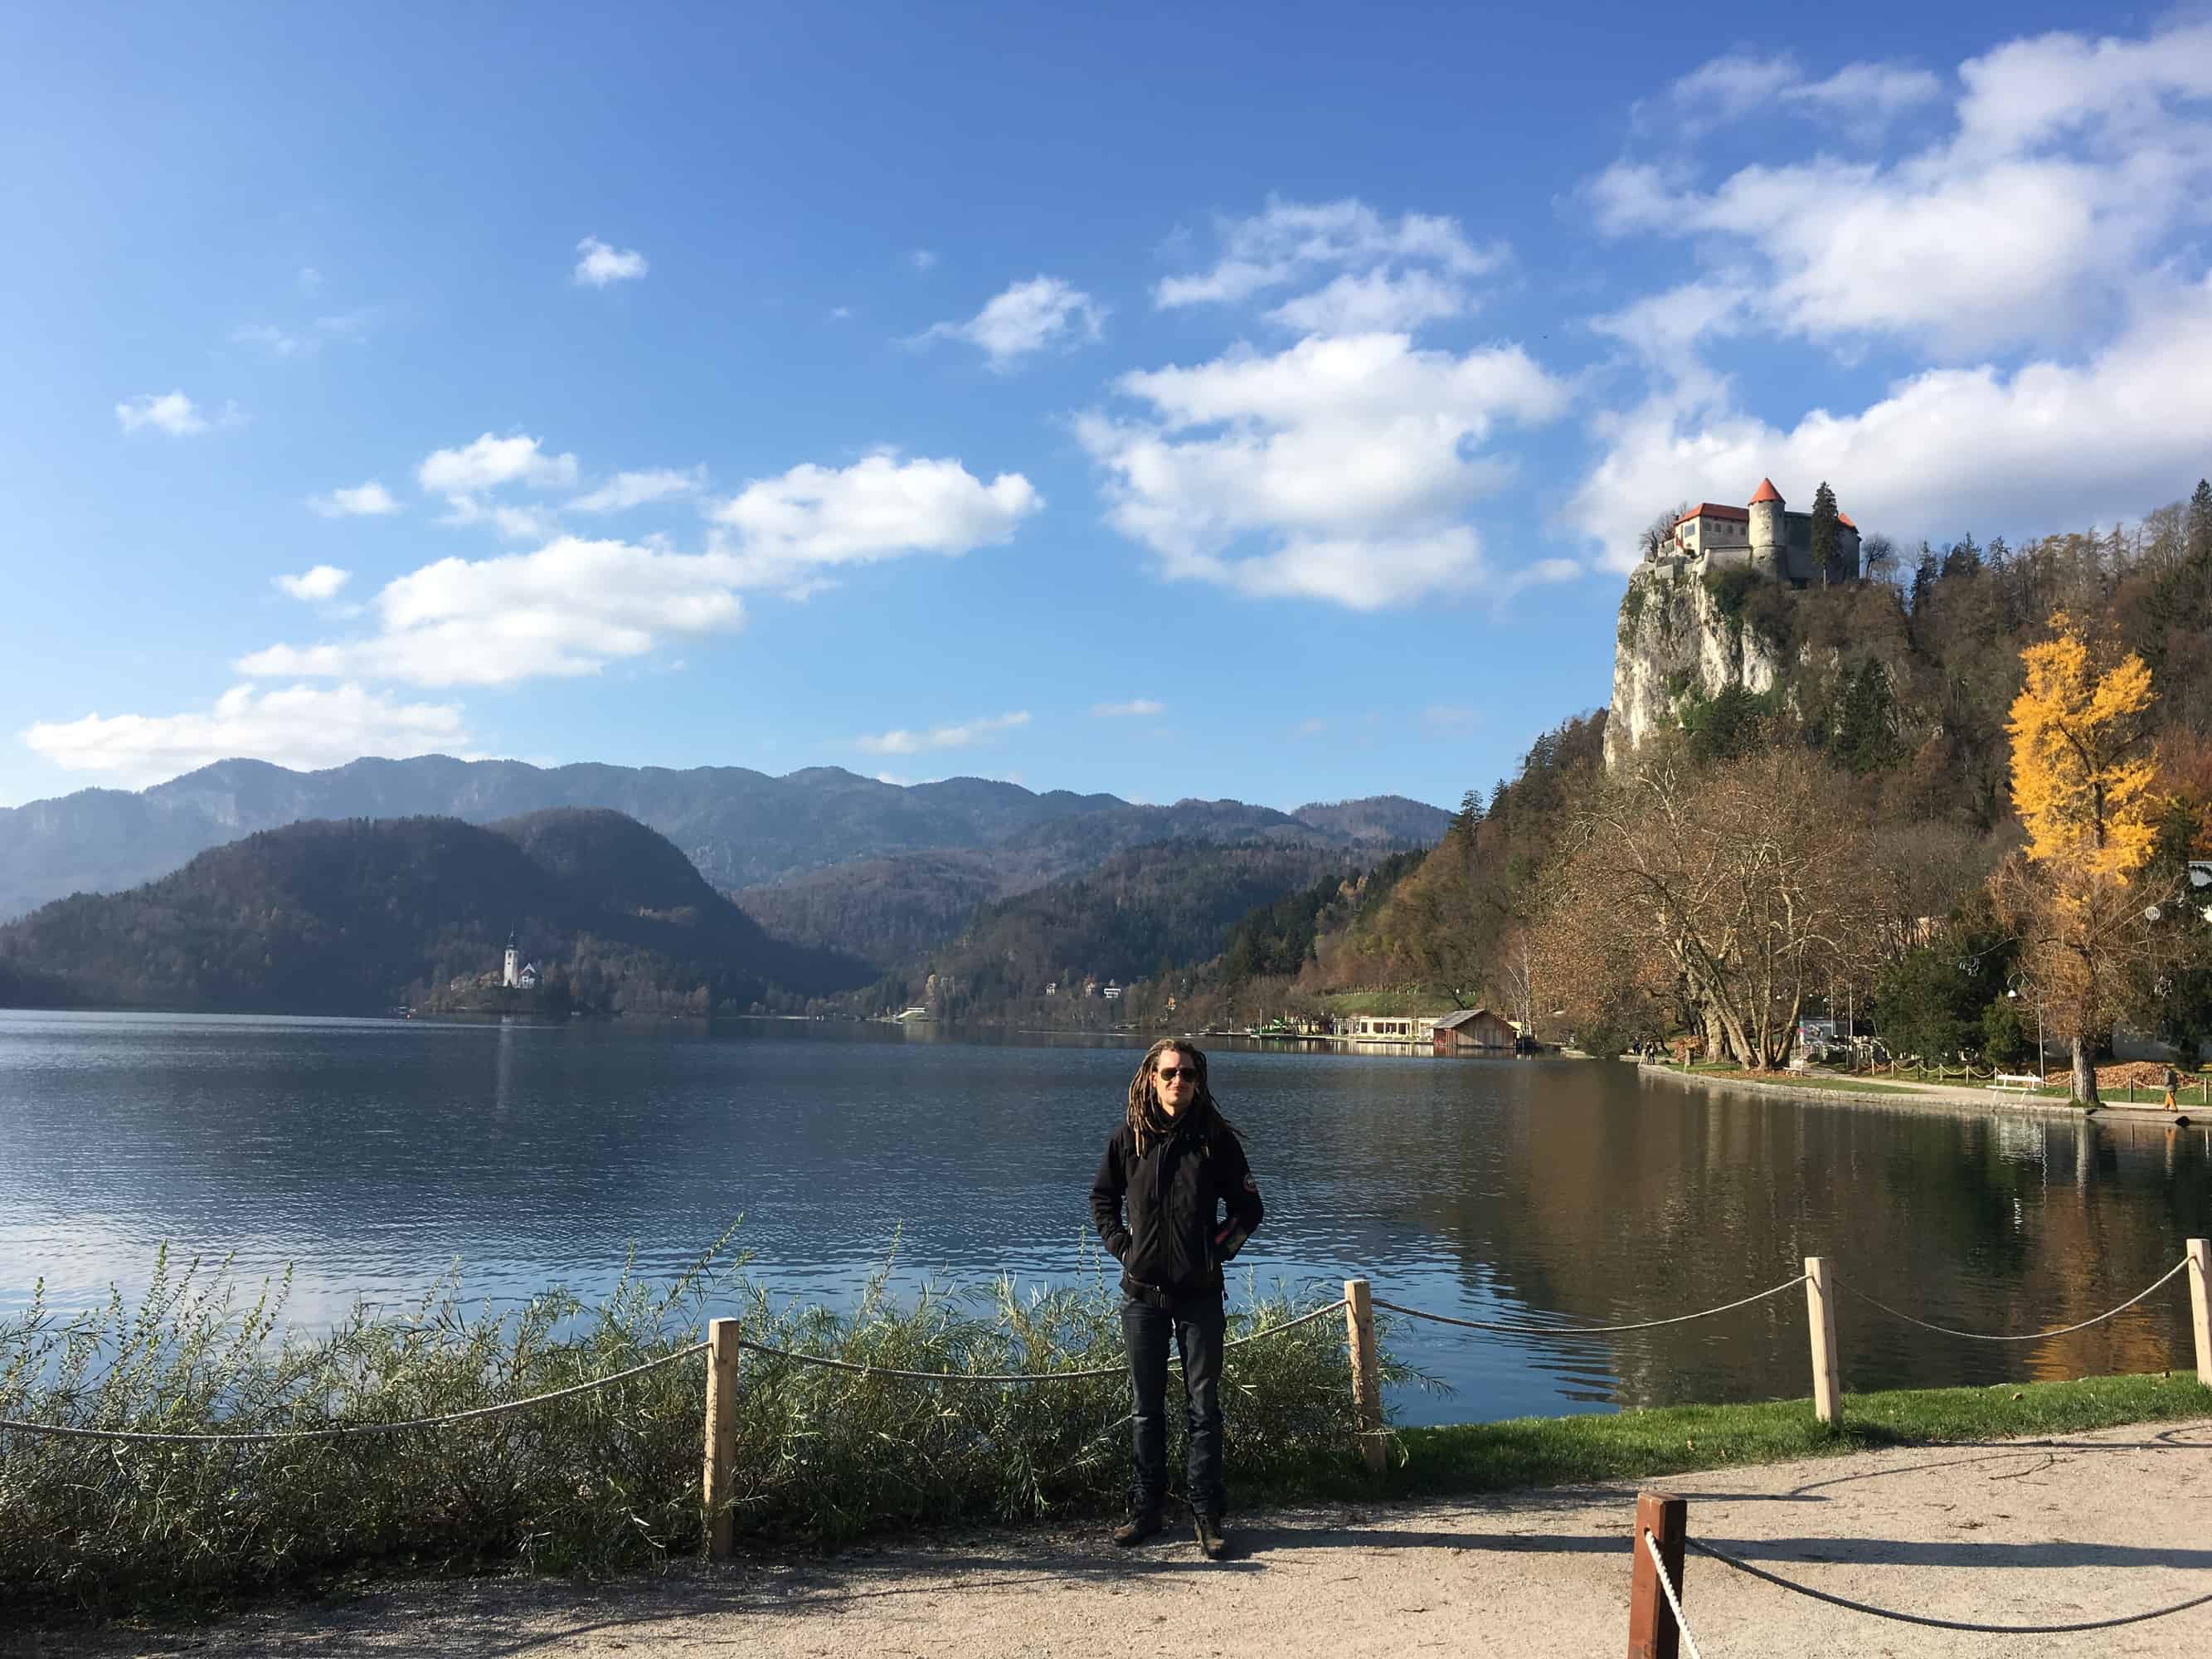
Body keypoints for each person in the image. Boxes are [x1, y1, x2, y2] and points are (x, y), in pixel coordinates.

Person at [1090, 1039, 1263, 1560]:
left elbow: (1250, 1210)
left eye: (1187, 1074)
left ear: (1197, 1081)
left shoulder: (1216, 1142)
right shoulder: (1127, 1140)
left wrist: (1218, 1253)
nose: (1177, 1082)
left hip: (1201, 1299)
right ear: (1150, 1078)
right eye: (1169, 1073)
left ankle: (1207, 1515)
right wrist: (1123, 1248)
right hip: (1141, 1298)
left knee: (1204, 1410)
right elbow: (1102, 1199)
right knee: (1146, 1411)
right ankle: (1147, 1509)